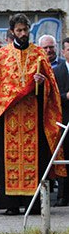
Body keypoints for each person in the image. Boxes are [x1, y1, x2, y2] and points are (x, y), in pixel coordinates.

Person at [0, 13, 65, 216]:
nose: (23, 34)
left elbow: (52, 92)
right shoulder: (2, 56)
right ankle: (11, 204)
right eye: (19, 30)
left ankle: (33, 203)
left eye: (25, 30)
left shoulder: (39, 55)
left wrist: (42, 85)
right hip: (9, 120)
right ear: (12, 31)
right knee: (7, 161)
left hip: (34, 118)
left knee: (37, 160)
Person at [53, 37, 69, 206]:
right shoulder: (57, 71)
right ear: (63, 52)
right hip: (64, 120)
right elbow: (54, 96)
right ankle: (64, 196)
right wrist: (66, 96)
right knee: (63, 156)